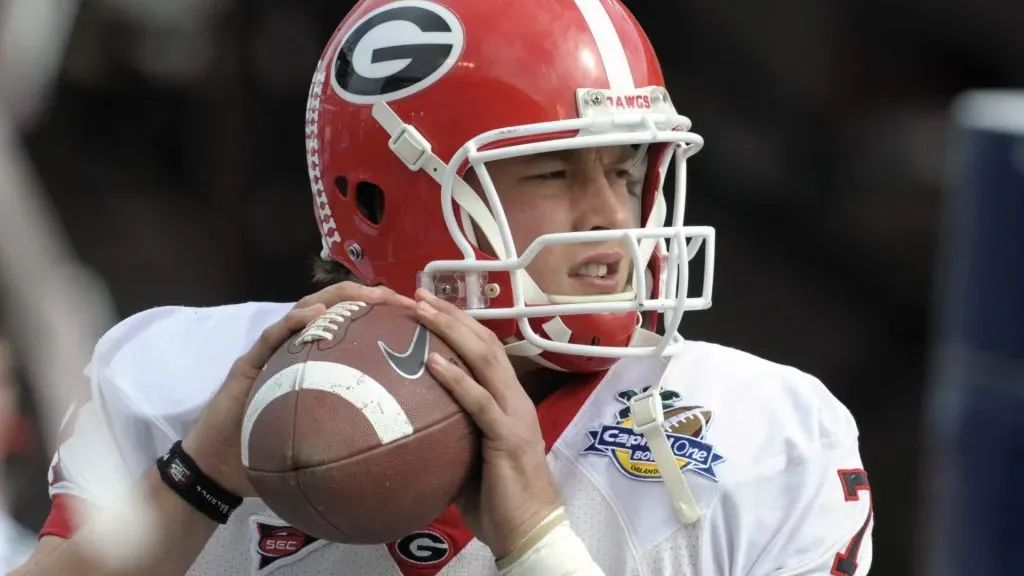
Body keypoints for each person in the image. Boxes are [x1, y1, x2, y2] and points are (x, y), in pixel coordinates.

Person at [13, 0, 874, 574]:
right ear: (384, 196)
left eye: (624, 169)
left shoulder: (771, 438)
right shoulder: (176, 383)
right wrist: (197, 482)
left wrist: (539, 542)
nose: (611, 217)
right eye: (550, 173)